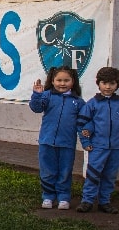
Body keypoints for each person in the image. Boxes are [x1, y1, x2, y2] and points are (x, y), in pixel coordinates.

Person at [29, 66, 85, 210]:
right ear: (52, 81)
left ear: (73, 82)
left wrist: (86, 140)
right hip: (46, 142)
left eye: (66, 80)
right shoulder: (47, 96)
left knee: (65, 171)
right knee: (47, 171)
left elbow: (83, 123)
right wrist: (37, 94)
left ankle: (63, 197)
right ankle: (48, 196)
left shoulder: (78, 102)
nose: (62, 83)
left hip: (67, 144)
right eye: (59, 80)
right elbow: (36, 108)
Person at [76, 66, 119, 214]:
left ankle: (104, 202)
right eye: (104, 83)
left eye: (112, 83)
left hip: (115, 148)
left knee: (110, 176)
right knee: (93, 174)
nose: (108, 87)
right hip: (98, 147)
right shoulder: (92, 104)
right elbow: (81, 124)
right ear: (98, 83)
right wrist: (86, 142)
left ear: (117, 85)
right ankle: (87, 201)